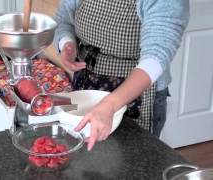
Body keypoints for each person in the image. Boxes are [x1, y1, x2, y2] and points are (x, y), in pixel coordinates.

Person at [53, 0, 189, 151]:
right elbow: (63, 19)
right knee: (83, 157)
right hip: (85, 83)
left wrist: (109, 105)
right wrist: (66, 43)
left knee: (131, 160)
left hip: (136, 93)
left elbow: (156, 58)